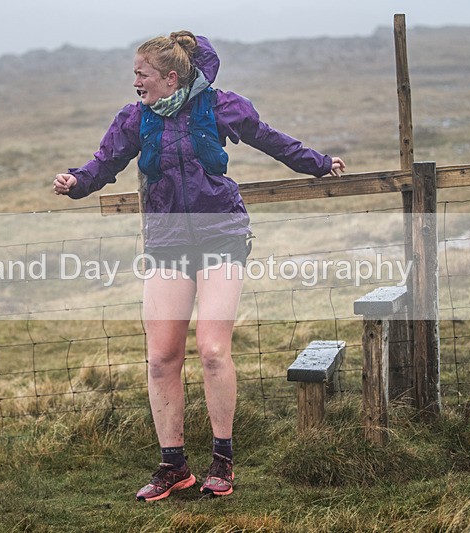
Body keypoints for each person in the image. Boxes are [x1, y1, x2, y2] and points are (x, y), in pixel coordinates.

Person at [54, 31, 345, 501]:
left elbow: (269, 138)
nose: (135, 81)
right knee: (161, 357)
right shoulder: (135, 118)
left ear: (170, 77)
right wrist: (76, 181)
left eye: (141, 73)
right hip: (167, 243)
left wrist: (319, 163)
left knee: (212, 350)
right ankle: (174, 467)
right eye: (134, 73)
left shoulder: (219, 106)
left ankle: (222, 462)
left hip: (220, 237)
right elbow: (104, 162)